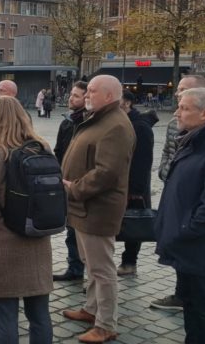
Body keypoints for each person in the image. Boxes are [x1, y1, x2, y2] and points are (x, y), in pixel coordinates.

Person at [0, 96, 54, 344]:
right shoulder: (43, 147)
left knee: (5, 319)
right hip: (38, 241)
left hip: (3, 246)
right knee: (40, 316)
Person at [61, 75, 135, 343]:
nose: (87, 94)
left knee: (102, 269)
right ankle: (91, 309)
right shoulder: (99, 118)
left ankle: (106, 324)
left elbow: (107, 173)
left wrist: (75, 188)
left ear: (109, 96)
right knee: (90, 265)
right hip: (84, 207)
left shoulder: (115, 125)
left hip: (98, 208)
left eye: (92, 91)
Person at [155, 88, 205, 343]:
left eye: (184, 108)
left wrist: (185, 231)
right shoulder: (192, 139)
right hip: (190, 248)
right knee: (192, 310)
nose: (177, 113)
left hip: (202, 250)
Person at [117, 91, 157, 276]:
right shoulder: (122, 122)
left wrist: (136, 190)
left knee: (134, 221)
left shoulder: (140, 126)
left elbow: (143, 161)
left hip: (134, 186)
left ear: (127, 103)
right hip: (121, 183)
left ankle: (129, 262)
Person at [53, 81, 88, 282]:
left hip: (82, 183)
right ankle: (74, 268)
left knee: (83, 231)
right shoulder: (67, 122)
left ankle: (86, 270)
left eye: (76, 96)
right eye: (71, 95)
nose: (71, 99)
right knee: (71, 229)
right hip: (65, 182)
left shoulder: (89, 122)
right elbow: (58, 151)